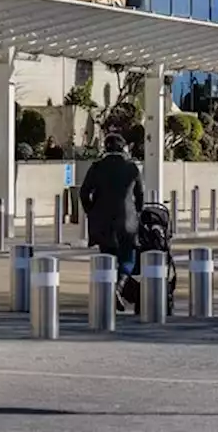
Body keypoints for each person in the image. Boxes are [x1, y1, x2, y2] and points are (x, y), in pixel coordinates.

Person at [79, 133, 144, 310]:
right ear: (123, 148)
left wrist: (91, 211)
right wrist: (137, 212)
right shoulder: (131, 168)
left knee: (108, 258)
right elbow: (140, 196)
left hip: (102, 222)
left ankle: (113, 293)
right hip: (127, 221)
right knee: (128, 259)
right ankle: (118, 287)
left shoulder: (97, 167)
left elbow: (84, 193)